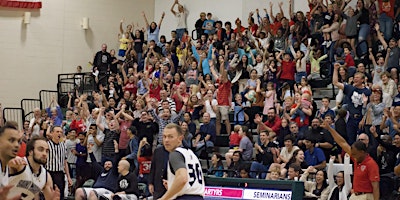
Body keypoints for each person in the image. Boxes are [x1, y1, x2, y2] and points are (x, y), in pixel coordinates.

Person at [321, 120, 380, 200]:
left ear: (362, 152)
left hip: (366, 196)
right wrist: (330, 129)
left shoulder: (371, 164)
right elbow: (342, 143)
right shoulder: (356, 158)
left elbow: (376, 187)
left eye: (355, 154)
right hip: (355, 195)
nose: (353, 156)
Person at [159, 123, 205, 200]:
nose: (166, 140)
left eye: (170, 137)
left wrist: (164, 198)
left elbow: (182, 178)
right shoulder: (191, 154)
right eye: (164, 136)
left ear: (180, 138)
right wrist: (172, 184)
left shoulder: (175, 154)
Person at [332, 62, 371, 145]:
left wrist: (363, 119)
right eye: (354, 77)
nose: (355, 79)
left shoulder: (367, 92)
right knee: (350, 141)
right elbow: (335, 82)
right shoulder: (350, 88)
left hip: (362, 118)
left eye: (357, 77)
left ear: (362, 80)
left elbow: (369, 108)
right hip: (351, 119)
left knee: (362, 142)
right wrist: (335, 69)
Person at [45, 126, 72, 200]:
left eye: (61, 132)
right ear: (52, 133)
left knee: (60, 195)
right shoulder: (47, 145)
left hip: (60, 173)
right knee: (49, 195)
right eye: (57, 132)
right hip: (49, 172)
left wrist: (68, 177)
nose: (59, 133)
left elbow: (65, 162)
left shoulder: (63, 145)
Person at [0, 121, 24, 200]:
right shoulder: (19, 165)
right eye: (11, 140)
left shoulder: (5, 165)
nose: (17, 145)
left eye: (18, 141)